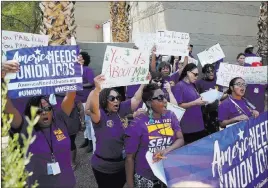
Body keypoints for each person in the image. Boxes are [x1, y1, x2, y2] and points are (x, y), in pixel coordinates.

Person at [2, 60, 77, 188]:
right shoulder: (25, 126)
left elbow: (70, 96)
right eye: (39, 110)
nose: (44, 113)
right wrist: (1, 79)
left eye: (47, 109)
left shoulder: (59, 119)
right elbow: (8, 108)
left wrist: (73, 68)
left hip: (67, 183)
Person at [86, 74, 147, 188]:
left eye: (118, 98)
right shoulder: (100, 115)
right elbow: (93, 108)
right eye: (112, 98)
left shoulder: (121, 109)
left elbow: (136, 99)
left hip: (121, 165)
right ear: (104, 99)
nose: (116, 101)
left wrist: (144, 82)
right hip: (104, 167)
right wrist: (97, 89)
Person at [125, 84, 184, 188]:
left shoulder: (171, 115)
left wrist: (166, 150)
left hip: (168, 173)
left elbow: (180, 139)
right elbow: (130, 157)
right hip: (146, 177)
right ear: (148, 102)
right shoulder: (137, 123)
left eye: (164, 96)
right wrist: (130, 185)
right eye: (160, 98)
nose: (165, 101)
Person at [173, 63, 208, 144]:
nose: (197, 77)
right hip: (188, 127)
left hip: (199, 125)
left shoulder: (193, 85)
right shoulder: (180, 86)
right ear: (188, 73)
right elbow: (178, 106)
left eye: (198, 75)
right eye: (195, 74)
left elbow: (196, 101)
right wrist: (195, 103)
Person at [196, 64, 223, 134]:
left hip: (217, 111)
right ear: (204, 73)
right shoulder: (199, 83)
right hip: (205, 112)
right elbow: (196, 96)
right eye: (208, 71)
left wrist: (220, 99)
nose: (211, 73)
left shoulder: (218, 82)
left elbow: (221, 95)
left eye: (212, 71)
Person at [76, 51, 95, 153]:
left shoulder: (87, 70)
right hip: (79, 99)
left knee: (88, 122)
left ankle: (91, 143)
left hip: (86, 99)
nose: (79, 60)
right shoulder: (77, 70)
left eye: (81, 58)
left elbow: (91, 83)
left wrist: (79, 85)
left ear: (85, 60)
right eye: (78, 58)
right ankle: (86, 139)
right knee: (83, 121)